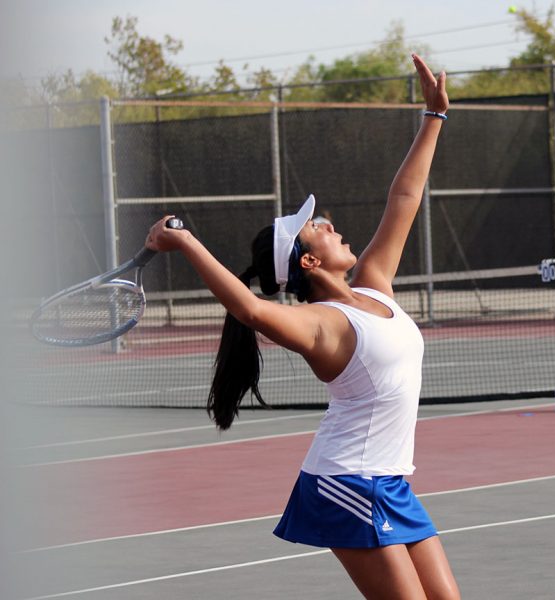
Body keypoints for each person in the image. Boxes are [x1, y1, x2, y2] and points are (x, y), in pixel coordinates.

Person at [144, 53, 460, 600]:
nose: (330, 224)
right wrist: (186, 241)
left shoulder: (373, 285)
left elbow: (404, 198)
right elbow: (250, 310)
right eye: (316, 229)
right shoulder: (320, 324)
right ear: (309, 263)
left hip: (388, 480)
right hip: (348, 481)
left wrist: (434, 116)